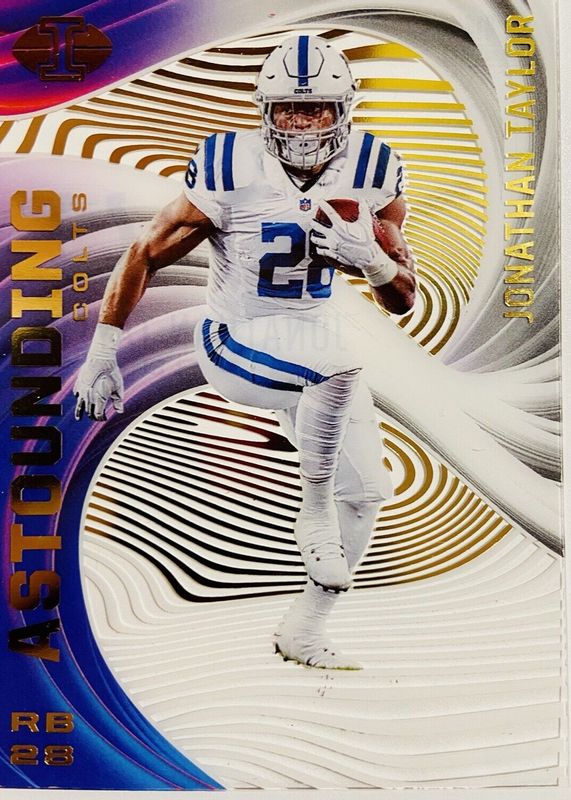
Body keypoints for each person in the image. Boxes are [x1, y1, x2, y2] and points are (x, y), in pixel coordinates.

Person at [74, 34, 416, 669]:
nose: (303, 125)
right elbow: (145, 252)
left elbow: (403, 299)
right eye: (289, 110)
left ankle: (304, 629)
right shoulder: (230, 167)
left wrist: (371, 260)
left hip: (314, 342)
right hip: (235, 336)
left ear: (344, 109)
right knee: (339, 368)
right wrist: (103, 351)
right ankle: (312, 514)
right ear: (265, 110)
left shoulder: (374, 169)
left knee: (369, 490)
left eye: (316, 109)